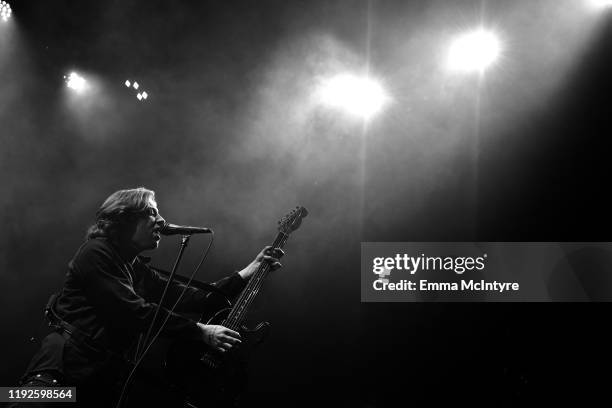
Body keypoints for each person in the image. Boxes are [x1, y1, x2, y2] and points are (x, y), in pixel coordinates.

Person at [13, 187, 283, 408]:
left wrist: (249, 270)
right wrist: (200, 331)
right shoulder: (95, 252)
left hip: (95, 383)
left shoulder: (135, 268)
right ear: (125, 218)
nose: (161, 221)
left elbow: (192, 298)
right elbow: (134, 311)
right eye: (152, 213)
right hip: (55, 376)